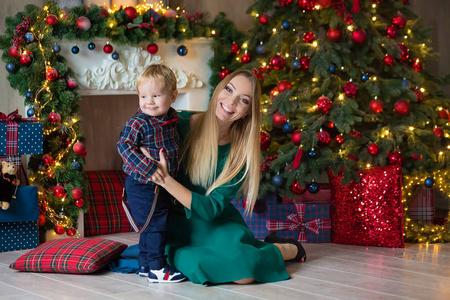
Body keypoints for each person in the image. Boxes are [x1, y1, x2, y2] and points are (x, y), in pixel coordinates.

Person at [142, 69, 306, 285]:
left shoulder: (240, 154)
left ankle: (287, 249)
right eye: (229, 89)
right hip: (173, 222)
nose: (231, 101)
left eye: (243, 100)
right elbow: (134, 136)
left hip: (216, 222)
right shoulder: (177, 124)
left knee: (245, 274)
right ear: (219, 89)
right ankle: (264, 247)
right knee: (197, 262)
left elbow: (210, 210)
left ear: (248, 111)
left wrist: (164, 179)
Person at [117, 64, 186, 283]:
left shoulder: (171, 121)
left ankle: (145, 265)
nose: (149, 101)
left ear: (173, 96)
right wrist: (149, 168)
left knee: (150, 224)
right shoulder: (138, 122)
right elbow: (124, 146)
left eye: (156, 95)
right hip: (142, 184)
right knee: (156, 225)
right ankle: (158, 268)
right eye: (143, 96)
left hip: (161, 185)